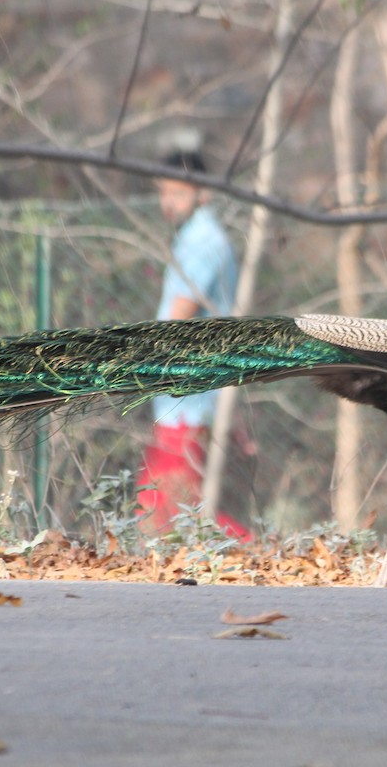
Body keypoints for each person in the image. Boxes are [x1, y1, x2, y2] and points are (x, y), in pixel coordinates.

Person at [135, 151, 253, 539]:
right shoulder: (194, 237)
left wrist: (135, 359)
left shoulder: (203, 241)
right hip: (181, 396)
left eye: (178, 192)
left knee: (167, 510)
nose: (168, 201)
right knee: (164, 510)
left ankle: (259, 556)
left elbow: (179, 315)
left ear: (203, 193)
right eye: (163, 191)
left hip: (188, 395)